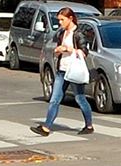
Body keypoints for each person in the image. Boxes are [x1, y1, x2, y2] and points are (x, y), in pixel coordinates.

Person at [31, 7, 94, 137]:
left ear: (70, 18)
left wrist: (68, 49)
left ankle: (89, 125)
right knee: (54, 99)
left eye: (62, 20)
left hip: (74, 71)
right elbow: (58, 49)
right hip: (62, 71)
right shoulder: (62, 33)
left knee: (80, 98)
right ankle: (46, 127)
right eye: (59, 20)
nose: (60, 22)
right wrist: (58, 50)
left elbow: (84, 52)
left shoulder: (78, 34)